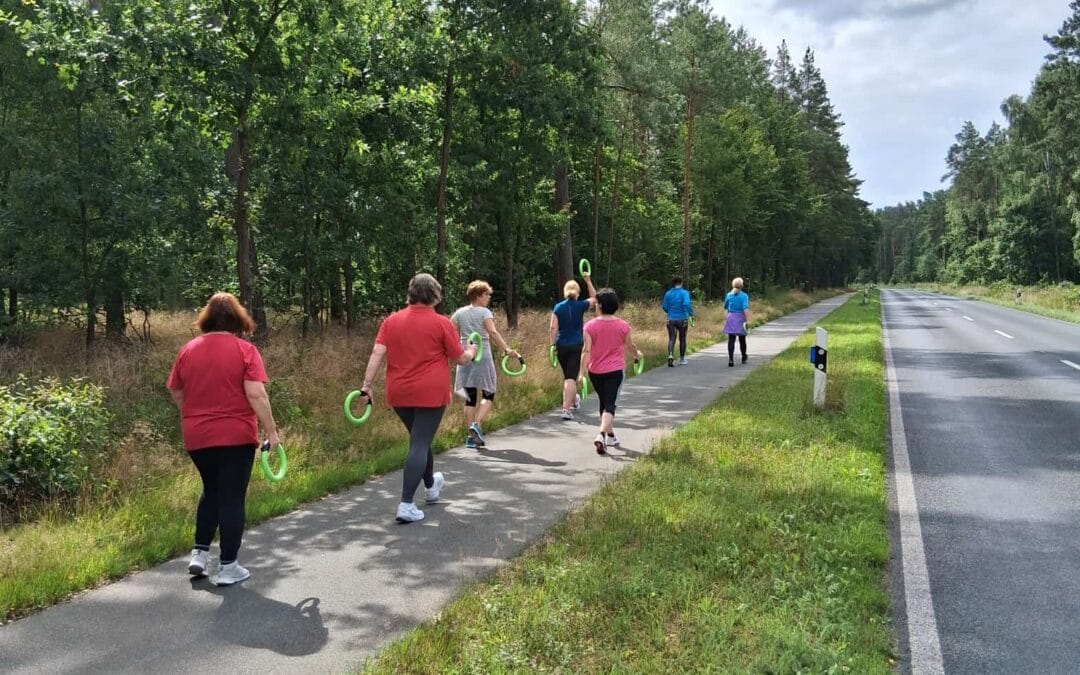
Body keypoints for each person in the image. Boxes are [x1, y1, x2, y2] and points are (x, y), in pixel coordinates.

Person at [166, 292, 280, 587]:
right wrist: (272, 433)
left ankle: (200, 554)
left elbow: (177, 391)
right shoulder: (245, 350)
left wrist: (193, 413)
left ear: (207, 319)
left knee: (212, 491)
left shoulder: (188, 350)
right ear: (237, 320)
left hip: (197, 437)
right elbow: (256, 393)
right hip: (235, 435)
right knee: (231, 497)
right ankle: (228, 565)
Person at [357, 273, 478, 523]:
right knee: (420, 443)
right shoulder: (441, 323)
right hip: (429, 393)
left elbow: (377, 353)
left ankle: (432, 486)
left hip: (399, 393)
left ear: (411, 294)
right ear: (434, 296)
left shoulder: (391, 321)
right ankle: (406, 503)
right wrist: (472, 351)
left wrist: (367, 386)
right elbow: (460, 358)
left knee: (419, 439)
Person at [451, 280, 520, 449]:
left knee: (469, 398)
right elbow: (492, 332)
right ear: (478, 296)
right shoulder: (484, 312)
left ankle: (470, 437)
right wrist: (506, 349)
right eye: (486, 294)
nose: (489, 297)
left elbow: (451, 332)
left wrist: (459, 349)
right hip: (483, 356)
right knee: (489, 393)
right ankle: (477, 424)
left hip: (466, 355)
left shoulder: (459, 313)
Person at [581, 288, 642, 455]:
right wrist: (638, 355)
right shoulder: (623, 325)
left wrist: (581, 373)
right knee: (610, 405)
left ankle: (611, 436)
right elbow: (630, 346)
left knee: (604, 402)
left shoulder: (589, 326)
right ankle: (601, 435)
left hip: (595, 371)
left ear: (599, 306)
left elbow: (586, 351)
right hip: (615, 371)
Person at [549, 273, 597, 420]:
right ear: (577, 292)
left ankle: (574, 399)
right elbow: (595, 299)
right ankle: (565, 409)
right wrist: (588, 281)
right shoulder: (580, 305)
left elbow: (552, 328)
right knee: (570, 378)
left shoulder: (558, 307)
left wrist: (552, 345)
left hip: (561, 345)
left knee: (569, 377)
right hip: (576, 345)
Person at [661, 275, 694, 366]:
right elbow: (687, 304)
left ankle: (670, 355)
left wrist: (669, 312)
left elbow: (664, 306)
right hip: (682, 319)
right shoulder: (685, 293)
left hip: (671, 319)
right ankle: (682, 359)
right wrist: (691, 313)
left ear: (673, 283)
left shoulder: (668, 293)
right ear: (681, 283)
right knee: (682, 338)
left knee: (672, 338)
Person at [723, 277, 751, 367]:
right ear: (742, 286)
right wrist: (748, 320)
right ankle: (743, 357)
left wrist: (726, 318)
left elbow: (725, 307)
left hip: (731, 317)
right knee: (742, 339)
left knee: (731, 339)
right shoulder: (744, 296)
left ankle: (731, 359)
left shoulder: (729, 295)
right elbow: (745, 309)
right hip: (741, 318)